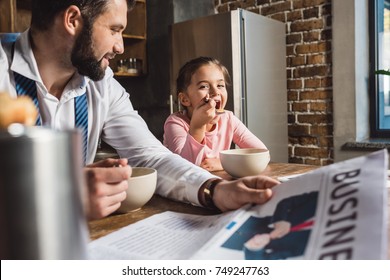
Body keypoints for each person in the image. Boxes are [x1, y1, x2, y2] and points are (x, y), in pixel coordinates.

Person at [0, 0, 280, 221]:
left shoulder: (102, 84)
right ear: (73, 20)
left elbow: (150, 156)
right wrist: (61, 196)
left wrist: (214, 190)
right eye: (114, 29)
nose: (120, 47)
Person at [163, 57, 268, 171]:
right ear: (184, 99)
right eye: (204, 86)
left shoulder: (228, 119)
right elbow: (186, 168)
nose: (215, 92)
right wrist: (198, 126)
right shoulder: (175, 123)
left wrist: (223, 164)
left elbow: (262, 155)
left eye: (220, 85)